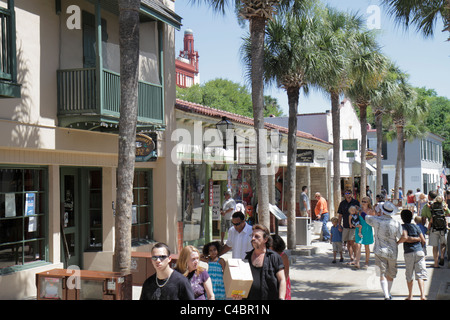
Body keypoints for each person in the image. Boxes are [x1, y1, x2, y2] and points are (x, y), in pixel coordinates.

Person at [365, 201, 403, 300]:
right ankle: (388, 293)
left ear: (382, 210)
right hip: (392, 252)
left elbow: (366, 217)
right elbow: (402, 236)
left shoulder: (376, 220)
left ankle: (386, 294)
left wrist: (374, 209)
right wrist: (397, 243)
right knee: (391, 273)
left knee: (382, 273)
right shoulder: (396, 223)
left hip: (379, 250)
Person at [243, 224, 286, 300]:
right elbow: (242, 280)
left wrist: (281, 298)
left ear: (265, 239)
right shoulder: (247, 257)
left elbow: (282, 279)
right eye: (252, 236)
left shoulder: (274, 257)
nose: (253, 238)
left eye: (257, 236)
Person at [398, 209, 427, 300]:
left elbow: (405, 238)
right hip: (419, 251)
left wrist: (398, 242)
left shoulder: (403, 227)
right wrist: (417, 240)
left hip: (409, 252)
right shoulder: (416, 226)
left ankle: (410, 295)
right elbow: (423, 240)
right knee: (420, 274)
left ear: (402, 218)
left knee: (409, 274)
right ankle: (422, 295)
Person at [420, 191, 450, 267]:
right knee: (443, 244)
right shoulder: (442, 204)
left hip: (433, 228)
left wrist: (423, 227)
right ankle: (442, 256)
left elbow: (423, 218)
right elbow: (448, 213)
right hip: (443, 227)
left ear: (429, 197)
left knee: (435, 246)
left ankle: (436, 263)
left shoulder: (427, 206)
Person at [337, 189, 360, 263]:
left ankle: (356, 257)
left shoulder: (355, 202)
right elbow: (340, 215)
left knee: (353, 242)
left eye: (349, 193)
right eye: (346, 193)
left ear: (351, 194)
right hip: (345, 226)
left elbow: (359, 212)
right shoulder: (342, 203)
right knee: (348, 242)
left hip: (354, 226)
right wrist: (339, 225)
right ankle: (351, 257)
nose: (347, 194)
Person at [353, 196, 375, 269]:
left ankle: (366, 262)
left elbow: (374, 221)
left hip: (367, 229)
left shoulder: (371, 211)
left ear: (368, 203)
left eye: (365, 202)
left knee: (366, 247)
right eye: (362, 201)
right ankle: (358, 262)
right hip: (359, 229)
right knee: (358, 245)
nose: (363, 203)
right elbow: (355, 218)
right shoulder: (359, 210)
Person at [270, 234, 291, 300]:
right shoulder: (270, 255)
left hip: (281, 282)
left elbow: (286, 273)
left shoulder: (283, 256)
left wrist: (281, 284)